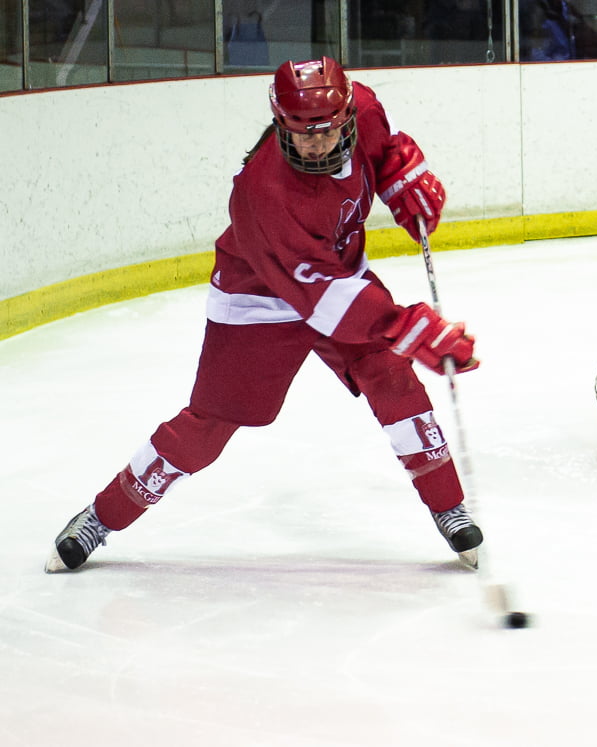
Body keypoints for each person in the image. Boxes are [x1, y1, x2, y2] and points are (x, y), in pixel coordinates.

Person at [45, 58, 485, 571]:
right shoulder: (263, 193)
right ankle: (102, 516)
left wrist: (400, 173)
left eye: (329, 131)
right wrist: (404, 327)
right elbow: (321, 297)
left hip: (335, 274)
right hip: (260, 299)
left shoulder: (361, 105)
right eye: (303, 134)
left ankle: (449, 507)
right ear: (281, 126)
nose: (318, 144)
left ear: (347, 115)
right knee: (210, 425)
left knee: (391, 377)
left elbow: (382, 150)